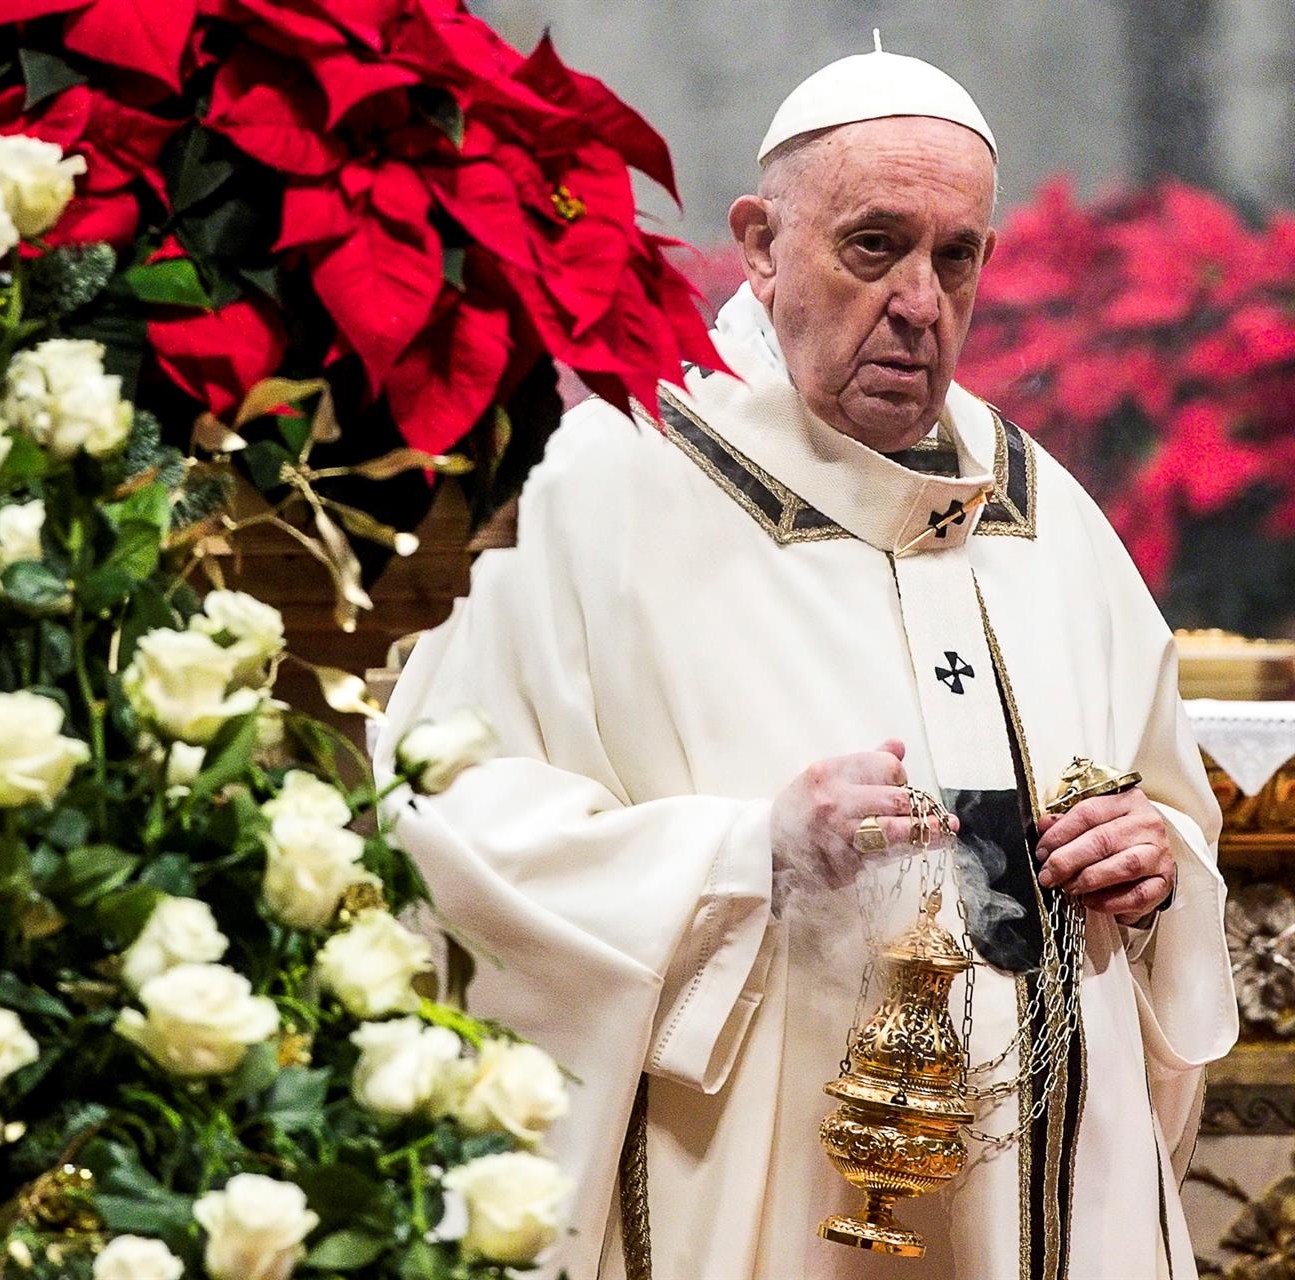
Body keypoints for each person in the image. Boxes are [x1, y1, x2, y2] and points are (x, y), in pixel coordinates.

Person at [376, 39, 1236, 1280]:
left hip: (1042, 1200)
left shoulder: (1042, 505)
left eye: (958, 256)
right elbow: (442, 819)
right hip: (760, 1193)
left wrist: (1152, 862)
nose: (921, 303)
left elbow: (1164, 811)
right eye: (873, 246)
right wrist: (749, 851)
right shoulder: (609, 489)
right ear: (763, 244)